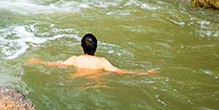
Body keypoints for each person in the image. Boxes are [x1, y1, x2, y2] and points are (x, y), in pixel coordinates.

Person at [28, 33, 157, 75]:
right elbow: (120, 71)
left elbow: (56, 64)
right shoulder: (101, 62)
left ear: (81, 47)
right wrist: (145, 73)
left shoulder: (76, 60)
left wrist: (38, 61)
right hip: (97, 84)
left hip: (77, 80)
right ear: (96, 48)